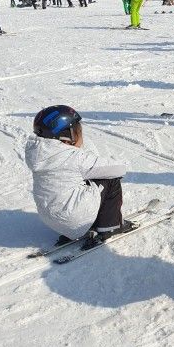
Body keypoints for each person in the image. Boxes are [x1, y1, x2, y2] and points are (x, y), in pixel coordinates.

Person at [25, 105, 130, 246]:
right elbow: (118, 169)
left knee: (83, 181)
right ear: (67, 135)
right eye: (78, 130)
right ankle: (109, 227)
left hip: (50, 219)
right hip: (73, 219)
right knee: (111, 181)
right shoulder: (73, 157)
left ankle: (82, 224)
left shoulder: (39, 154)